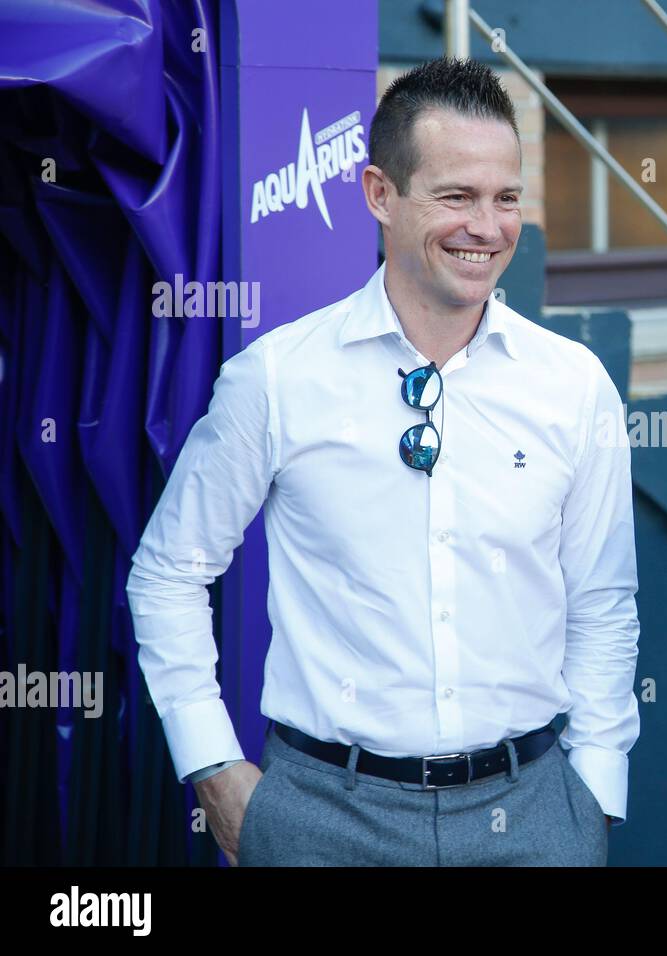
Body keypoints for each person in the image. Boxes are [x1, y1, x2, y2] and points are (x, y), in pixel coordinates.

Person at [126, 58, 640, 866]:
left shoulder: (574, 387)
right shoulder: (276, 378)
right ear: (378, 195)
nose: (488, 226)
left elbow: (603, 603)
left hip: (535, 818)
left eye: (506, 197)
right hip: (322, 821)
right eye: (456, 196)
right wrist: (215, 768)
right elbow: (167, 574)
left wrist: (595, 795)